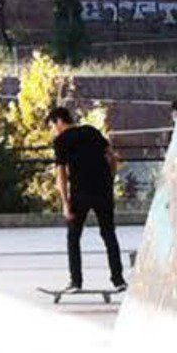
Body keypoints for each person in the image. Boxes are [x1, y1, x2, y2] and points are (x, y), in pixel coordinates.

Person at [48, 105, 126, 293]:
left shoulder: (61, 140)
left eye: (52, 125)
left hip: (80, 193)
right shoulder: (91, 131)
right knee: (109, 235)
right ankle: (118, 280)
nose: (53, 129)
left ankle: (76, 281)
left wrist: (65, 204)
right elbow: (112, 157)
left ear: (59, 121)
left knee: (73, 237)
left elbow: (62, 176)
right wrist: (110, 179)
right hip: (102, 191)